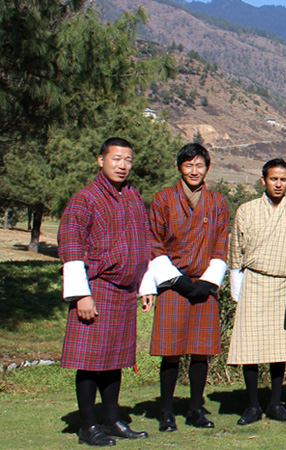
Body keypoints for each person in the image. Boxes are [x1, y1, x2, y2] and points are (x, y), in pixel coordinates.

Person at [59, 138, 152, 446]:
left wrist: (144, 285)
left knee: (115, 360)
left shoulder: (132, 196)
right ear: (101, 160)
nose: (122, 165)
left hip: (125, 291)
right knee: (90, 361)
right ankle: (88, 426)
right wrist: (81, 294)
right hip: (96, 288)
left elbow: (143, 242)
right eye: (116, 158)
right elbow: (71, 246)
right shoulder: (84, 198)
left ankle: (112, 421)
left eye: (127, 159)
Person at [140, 143, 229, 432]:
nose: (194, 171)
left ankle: (195, 409)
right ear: (180, 167)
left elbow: (221, 243)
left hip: (204, 284)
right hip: (173, 284)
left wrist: (208, 281)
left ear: (207, 168)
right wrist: (176, 280)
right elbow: (154, 242)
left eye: (200, 165)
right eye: (188, 165)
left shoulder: (217, 202)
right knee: (171, 352)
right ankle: (166, 412)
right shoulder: (164, 199)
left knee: (200, 351)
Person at [226, 158, 286, 425]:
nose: (278, 184)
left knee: (278, 348)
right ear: (264, 180)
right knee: (250, 347)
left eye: (283, 179)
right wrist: (236, 287)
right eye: (274, 179)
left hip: (283, 283)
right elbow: (235, 251)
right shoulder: (246, 210)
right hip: (254, 281)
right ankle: (252, 404)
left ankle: (275, 403)